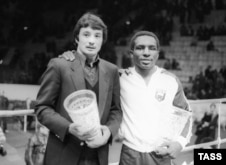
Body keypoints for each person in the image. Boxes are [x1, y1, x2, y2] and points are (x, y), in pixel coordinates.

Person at [60, 31, 192, 165]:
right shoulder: (119, 78)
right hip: (130, 155)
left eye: (152, 48)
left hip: (161, 154)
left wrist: (180, 143)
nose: (146, 52)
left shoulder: (170, 80)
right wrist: (72, 58)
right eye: (140, 48)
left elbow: (187, 114)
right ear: (131, 53)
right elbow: (86, 77)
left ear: (157, 53)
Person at [35, 12, 122, 165]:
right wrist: (68, 128)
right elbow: (42, 108)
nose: (91, 41)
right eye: (86, 35)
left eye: (97, 36)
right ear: (77, 38)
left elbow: (116, 110)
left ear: (103, 40)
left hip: (98, 155)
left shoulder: (111, 70)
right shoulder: (59, 65)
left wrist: (108, 132)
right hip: (64, 154)